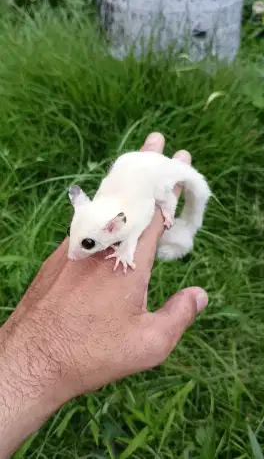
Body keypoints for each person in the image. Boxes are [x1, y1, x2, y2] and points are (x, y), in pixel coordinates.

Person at [0, 133, 208, 458]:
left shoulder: (119, 224)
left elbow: (136, 222)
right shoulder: (91, 211)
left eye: (86, 245)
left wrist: (129, 247)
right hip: (131, 171)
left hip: (153, 179)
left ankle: (170, 208)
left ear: (112, 229)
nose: (73, 254)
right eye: (75, 236)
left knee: (162, 197)